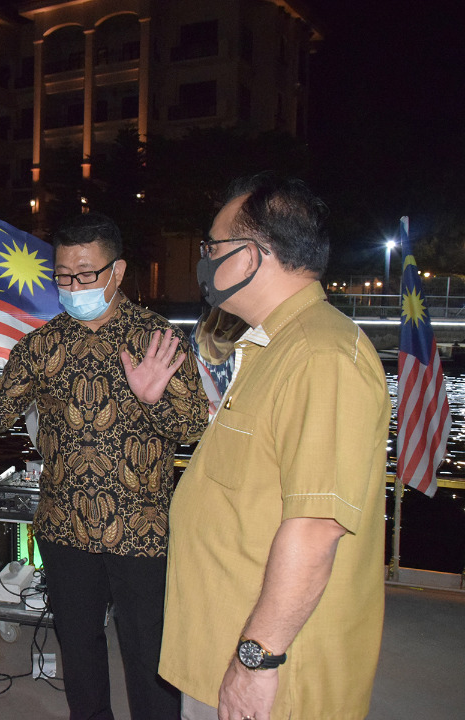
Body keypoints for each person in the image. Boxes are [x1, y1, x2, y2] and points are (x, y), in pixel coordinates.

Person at [0, 212, 208, 720]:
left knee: (149, 654)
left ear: (117, 271)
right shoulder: (42, 346)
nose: (72, 286)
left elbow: (196, 429)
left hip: (143, 530)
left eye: (86, 274)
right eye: (63, 275)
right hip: (64, 525)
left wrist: (154, 400)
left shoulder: (158, 340)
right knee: (79, 646)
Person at [159, 174, 391, 720]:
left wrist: (254, 662)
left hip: (273, 677)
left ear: (252, 256)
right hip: (220, 642)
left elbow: (316, 528)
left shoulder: (321, 357)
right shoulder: (273, 346)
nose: (204, 261)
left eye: (212, 248)